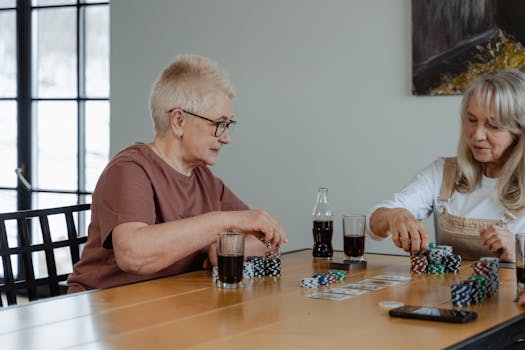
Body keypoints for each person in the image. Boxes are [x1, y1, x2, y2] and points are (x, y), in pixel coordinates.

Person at [67, 55, 287, 293]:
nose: (226, 138)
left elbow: (267, 238)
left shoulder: (205, 180)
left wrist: (225, 246)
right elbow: (133, 254)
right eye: (219, 124)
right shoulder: (128, 170)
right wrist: (222, 222)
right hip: (102, 311)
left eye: (228, 125)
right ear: (179, 120)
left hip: (166, 306)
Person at [368, 69, 525, 263]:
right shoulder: (444, 172)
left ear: (519, 131)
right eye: (472, 120)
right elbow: (372, 225)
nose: (477, 135)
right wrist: (394, 215)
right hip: (446, 293)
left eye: (493, 125)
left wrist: (519, 251)